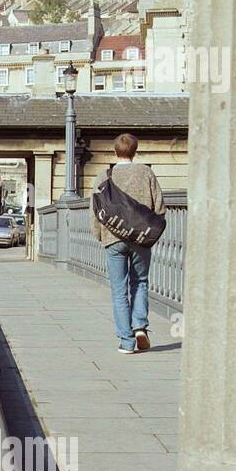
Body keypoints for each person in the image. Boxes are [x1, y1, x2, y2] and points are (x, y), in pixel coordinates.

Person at [91, 132, 166, 354]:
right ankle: (140, 326)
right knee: (140, 281)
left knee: (118, 291)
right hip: (141, 237)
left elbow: (95, 210)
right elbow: (159, 207)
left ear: (115, 151)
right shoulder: (147, 172)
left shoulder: (104, 175)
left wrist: (101, 235)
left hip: (113, 238)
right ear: (135, 151)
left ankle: (126, 341)